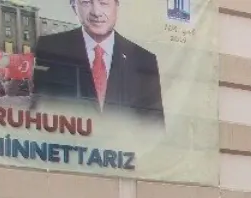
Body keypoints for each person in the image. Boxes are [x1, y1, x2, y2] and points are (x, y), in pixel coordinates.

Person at [34, 0, 164, 123]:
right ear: (74, 6)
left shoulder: (144, 60)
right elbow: (38, 113)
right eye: (86, 2)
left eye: (103, 2)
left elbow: (154, 128)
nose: (96, 12)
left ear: (116, 5)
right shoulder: (49, 48)